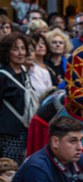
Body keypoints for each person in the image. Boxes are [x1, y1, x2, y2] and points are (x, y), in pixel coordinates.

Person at [0, 32, 36, 163]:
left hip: (26, 131)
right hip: (9, 135)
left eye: (23, 48)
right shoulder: (2, 75)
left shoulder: (24, 72)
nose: (21, 52)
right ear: (7, 52)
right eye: (15, 49)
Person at [27, 32, 55, 97]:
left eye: (43, 43)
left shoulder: (49, 66)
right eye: (37, 43)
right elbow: (40, 90)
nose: (41, 46)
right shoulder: (31, 67)